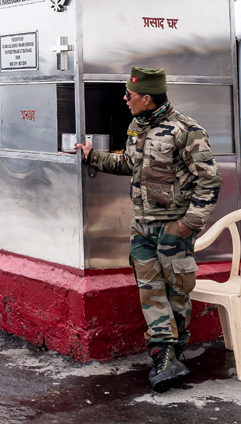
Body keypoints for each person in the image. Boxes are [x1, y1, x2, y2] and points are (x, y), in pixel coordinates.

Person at [75, 67, 221, 394]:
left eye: (129, 94)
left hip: (174, 227)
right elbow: (130, 165)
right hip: (141, 226)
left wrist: (189, 224)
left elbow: (210, 181)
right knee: (150, 289)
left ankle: (172, 353)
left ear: (146, 97)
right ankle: (164, 355)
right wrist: (93, 156)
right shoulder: (136, 127)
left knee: (176, 291)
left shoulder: (186, 131)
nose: (124, 99)